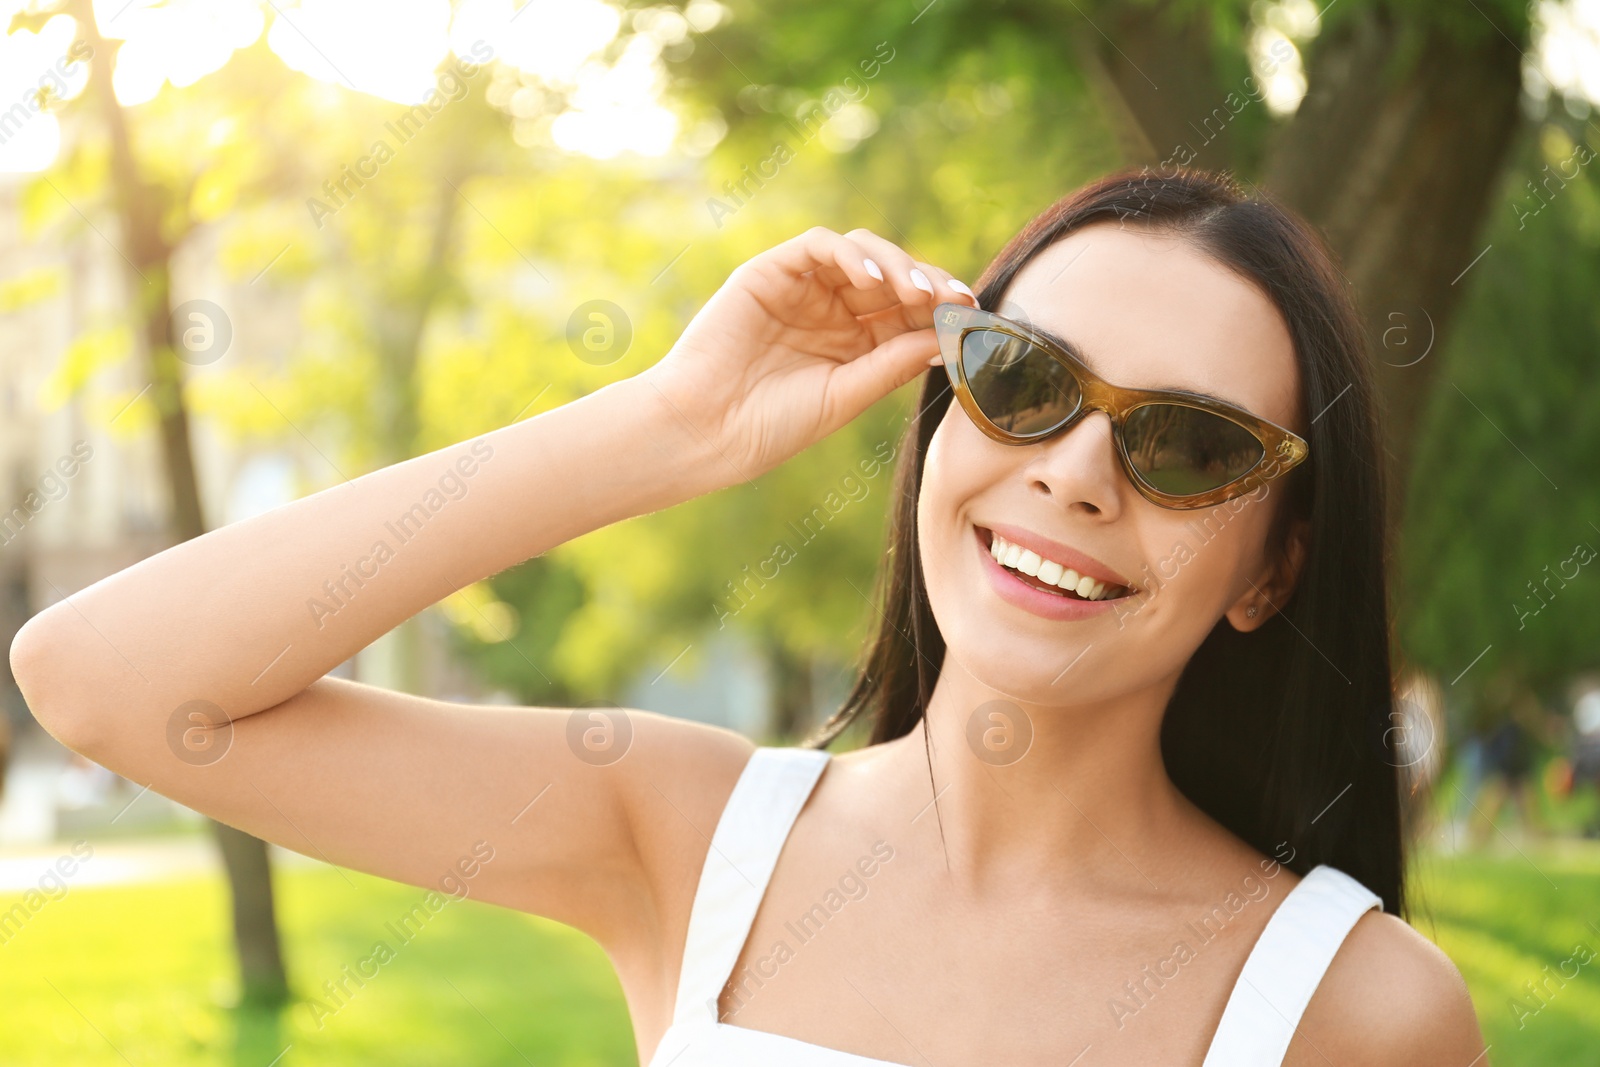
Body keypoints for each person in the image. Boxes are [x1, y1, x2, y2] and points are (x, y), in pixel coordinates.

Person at [10, 168, 1484, 1065]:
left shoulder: (1352, 1009)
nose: (1077, 474)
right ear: (943, 403)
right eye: (1023, 378)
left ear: (1274, 572)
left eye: (1189, 446)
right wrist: (667, 424)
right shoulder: (688, 834)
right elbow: (108, 680)